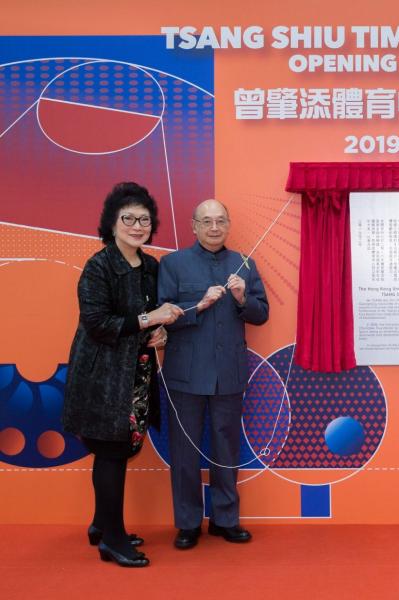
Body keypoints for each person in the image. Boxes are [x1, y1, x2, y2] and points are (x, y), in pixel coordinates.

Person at [62, 182, 184, 567]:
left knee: (122, 448)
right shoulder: (99, 266)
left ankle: (101, 524)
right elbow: (97, 322)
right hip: (103, 378)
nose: (136, 225)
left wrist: (158, 332)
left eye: (144, 219)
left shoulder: (151, 266)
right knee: (111, 451)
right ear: (112, 224)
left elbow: (144, 322)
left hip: (138, 373)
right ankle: (113, 540)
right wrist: (152, 318)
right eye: (128, 218)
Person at [159, 199, 269, 549]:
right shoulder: (172, 264)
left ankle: (225, 519)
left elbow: (261, 313)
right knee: (185, 450)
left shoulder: (244, 263)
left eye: (220, 220)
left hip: (229, 373)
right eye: (206, 221)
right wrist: (199, 305)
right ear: (193, 226)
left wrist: (240, 299)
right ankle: (188, 523)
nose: (214, 227)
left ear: (229, 223)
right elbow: (162, 315)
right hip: (185, 374)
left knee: (226, 447)